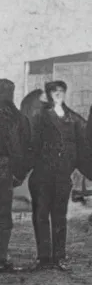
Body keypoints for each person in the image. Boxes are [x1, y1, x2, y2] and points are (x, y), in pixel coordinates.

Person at [28, 80, 92, 271]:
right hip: (42, 175)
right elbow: (32, 144)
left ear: (65, 93)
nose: (58, 94)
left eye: (61, 91)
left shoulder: (73, 118)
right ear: (48, 94)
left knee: (60, 216)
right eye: (54, 91)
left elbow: (83, 146)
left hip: (62, 175)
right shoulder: (40, 116)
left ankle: (59, 256)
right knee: (41, 215)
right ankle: (43, 258)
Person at [0, 79, 30, 272]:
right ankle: (1, 258)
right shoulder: (17, 118)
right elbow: (24, 148)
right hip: (6, 170)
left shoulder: (18, 118)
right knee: (3, 215)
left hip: (5, 169)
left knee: (3, 215)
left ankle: (2, 258)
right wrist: (18, 173)